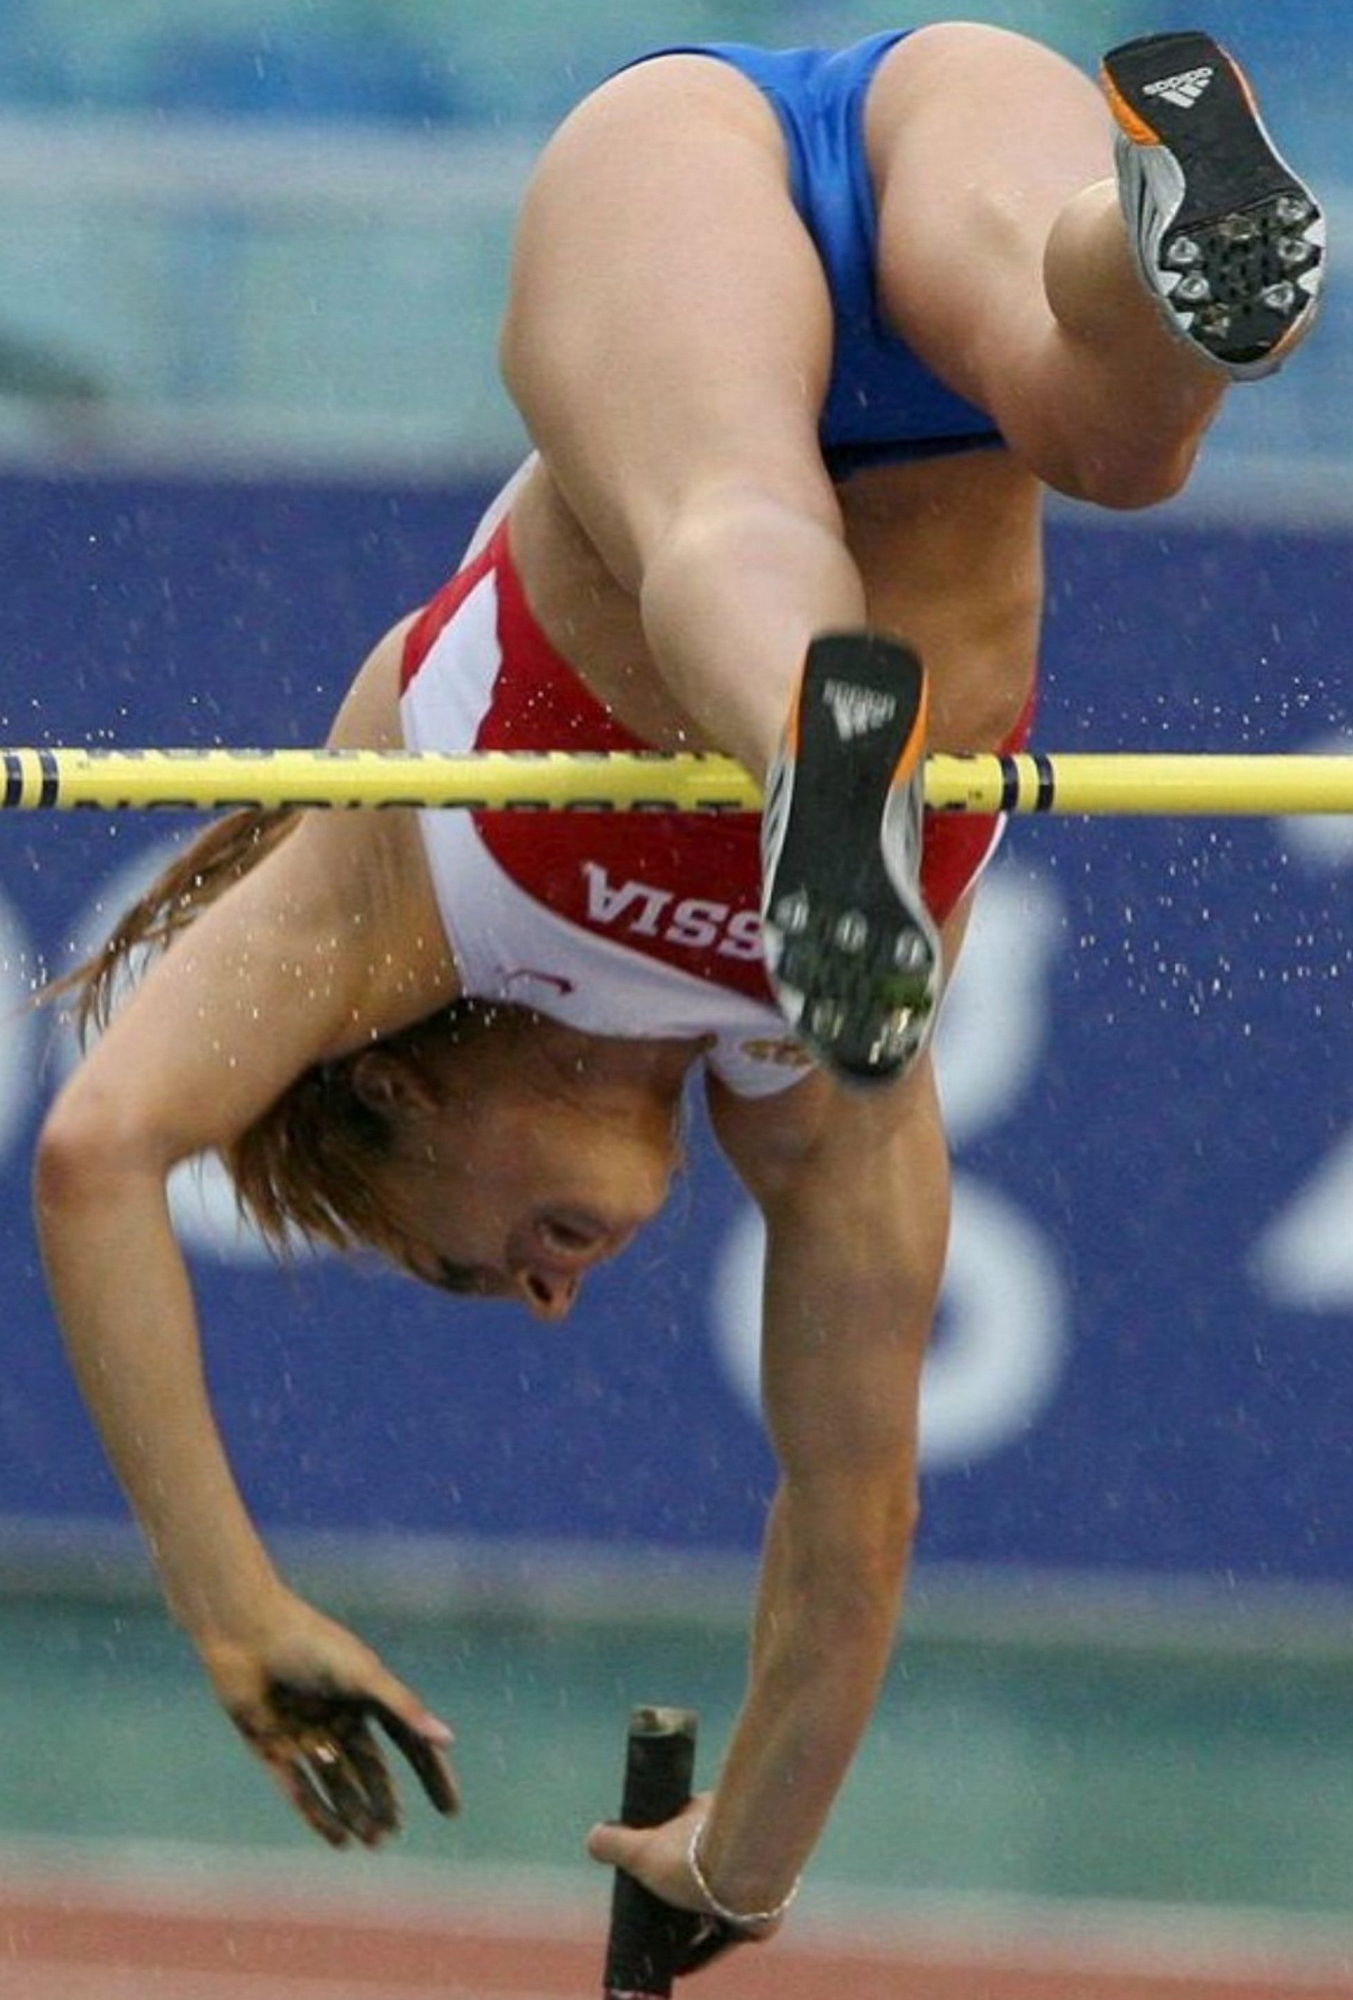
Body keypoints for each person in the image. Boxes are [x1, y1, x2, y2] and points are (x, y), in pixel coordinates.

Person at [33, 19, 1322, 1971]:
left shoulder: (394, 909)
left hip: (679, 186)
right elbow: (849, 1511)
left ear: (392, 1088)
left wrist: (230, 1608)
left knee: (729, 519)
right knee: (1115, 436)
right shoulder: (819, 1086)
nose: (549, 1292)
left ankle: (813, 746)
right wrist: (740, 1861)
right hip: (950, 193)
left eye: (463, 1265)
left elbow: (99, 1154)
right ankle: (1157, 222)